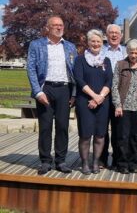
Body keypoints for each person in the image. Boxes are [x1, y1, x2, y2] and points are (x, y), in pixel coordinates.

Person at [27, 15, 77, 175]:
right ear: (47, 27)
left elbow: (75, 71)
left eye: (61, 25)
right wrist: (37, 91)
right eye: (55, 25)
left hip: (64, 89)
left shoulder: (70, 46)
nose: (59, 27)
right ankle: (45, 161)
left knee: (62, 126)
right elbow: (30, 69)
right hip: (45, 88)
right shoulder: (36, 45)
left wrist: (74, 93)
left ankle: (61, 161)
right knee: (45, 127)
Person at [74, 29, 113, 175]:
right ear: (88, 42)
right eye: (93, 41)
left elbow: (109, 80)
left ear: (102, 43)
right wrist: (94, 96)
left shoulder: (106, 60)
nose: (96, 44)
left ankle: (96, 162)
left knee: (100, 135)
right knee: (85, 135)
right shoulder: (80, 60)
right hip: (85, 102)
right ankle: (84, 163)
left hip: (103, 103)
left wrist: (100, 97)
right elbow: (79, 79)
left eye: (98, 41)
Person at [111, 39, 137, 174]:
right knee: (123, 137)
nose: (133, 55)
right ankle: (122, 164)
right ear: (127, 52)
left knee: (134, 137)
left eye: (136, 52)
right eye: (131, 52)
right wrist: (117, 105)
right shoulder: (120, 65)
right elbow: (114, 86)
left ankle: (133, 163)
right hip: (124, 107)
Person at [101, 24, 127, 169]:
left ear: (121, 36)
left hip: (121, 98)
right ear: (106, 35)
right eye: (111, 33)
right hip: (103, 96)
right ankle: (102, 159)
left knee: (119, 130)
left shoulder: (125, 53)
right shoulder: (100, 52)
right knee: (102, 130)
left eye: (117, 33)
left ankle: (118, 160)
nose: (114, 35)